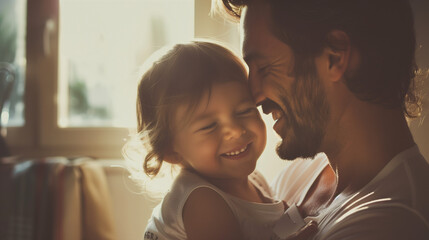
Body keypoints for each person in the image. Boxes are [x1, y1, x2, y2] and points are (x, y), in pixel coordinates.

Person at [214, 0, 429, 239]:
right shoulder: (301, 175)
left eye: (264, 68)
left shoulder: (392, 223)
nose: (254, 96)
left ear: (334, 57)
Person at [128, 40, 297, 240]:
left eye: (244, 111)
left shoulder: (254, 181)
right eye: (209, 126)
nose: (234, 130)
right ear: (170, 150)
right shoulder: (203, 201)